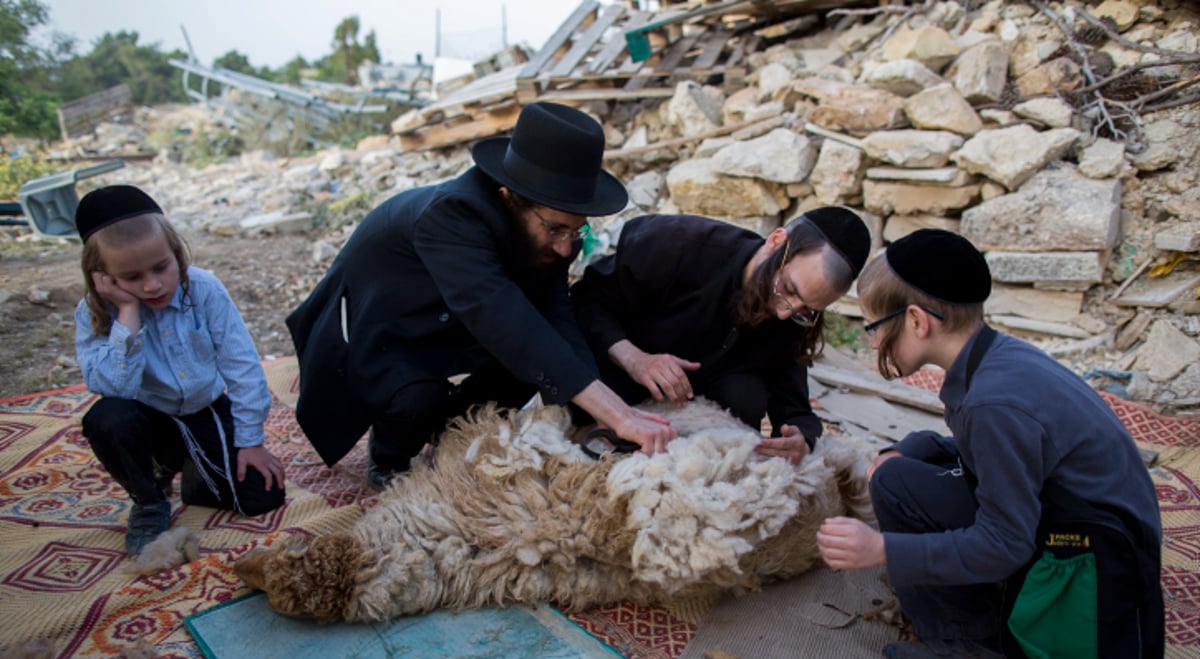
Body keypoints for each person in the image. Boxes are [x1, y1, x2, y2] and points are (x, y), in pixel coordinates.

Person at [816, 229, 1163, 659]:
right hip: (1086, 526)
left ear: (917, 321)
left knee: (895, 486)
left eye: (876, 328)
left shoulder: (992, 404)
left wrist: (883, 549)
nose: (875, 344)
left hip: (1094, 566)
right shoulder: (996, 359)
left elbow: (1005, 543)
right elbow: (984, 457)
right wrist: (910, 447)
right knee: (901, 470)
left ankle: (975, 644)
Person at [286, 102, 676, 489]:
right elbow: (500, 316)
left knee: (539, 364)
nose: (564, 248)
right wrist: (619, 414)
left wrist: (597, 415)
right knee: (417, 398)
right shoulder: (450, 215)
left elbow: (556, 317)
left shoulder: (558, 231)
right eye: (555, 229)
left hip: (450, 316)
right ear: (509, 198)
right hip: (381, 325)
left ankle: (448, 436)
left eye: (575, 232)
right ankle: (388, 455)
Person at [74, 185, 286, 556]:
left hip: (204, 409)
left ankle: (191, 471)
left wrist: (250, 441)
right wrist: (128, 314)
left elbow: (241, 365)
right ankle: (149, 498)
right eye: (131, 277)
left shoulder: (203, 288)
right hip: (147, 417)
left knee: (262, 496)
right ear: (102, 277)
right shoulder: (96, 312)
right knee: (107, 418)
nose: (153, 284)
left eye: (161, 267)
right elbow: (112, 386)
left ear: (177, 253)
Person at [570, 208, 870, 463]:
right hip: (621, 383)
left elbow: (791, 397)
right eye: (788, 289)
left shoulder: (793, 316)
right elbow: (587, 301)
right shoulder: (679, 243)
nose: (783, 313)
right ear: (777, 242)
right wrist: (635, 359)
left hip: (698, 426)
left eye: (807, 309)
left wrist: (800, 440)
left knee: (746, 393)